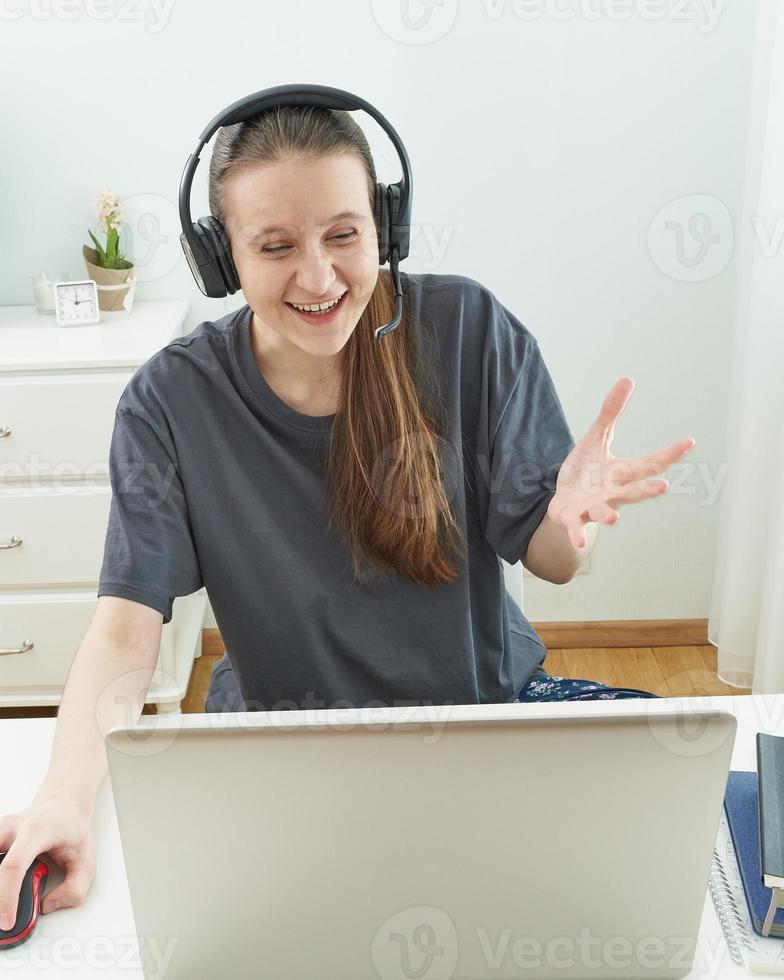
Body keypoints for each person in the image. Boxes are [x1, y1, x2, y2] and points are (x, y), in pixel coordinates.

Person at [0, 102, 695, 928]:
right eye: (275, 246)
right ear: (222, 258)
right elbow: (124, 631)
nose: (320, 278)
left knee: (663, 844)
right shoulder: (171, 400)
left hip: (482, 730)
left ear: (385, 228)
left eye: (343, 235)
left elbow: (551, 559)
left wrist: (570, 520)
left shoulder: (468, 330)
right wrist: (65, 802)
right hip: (286, 757)